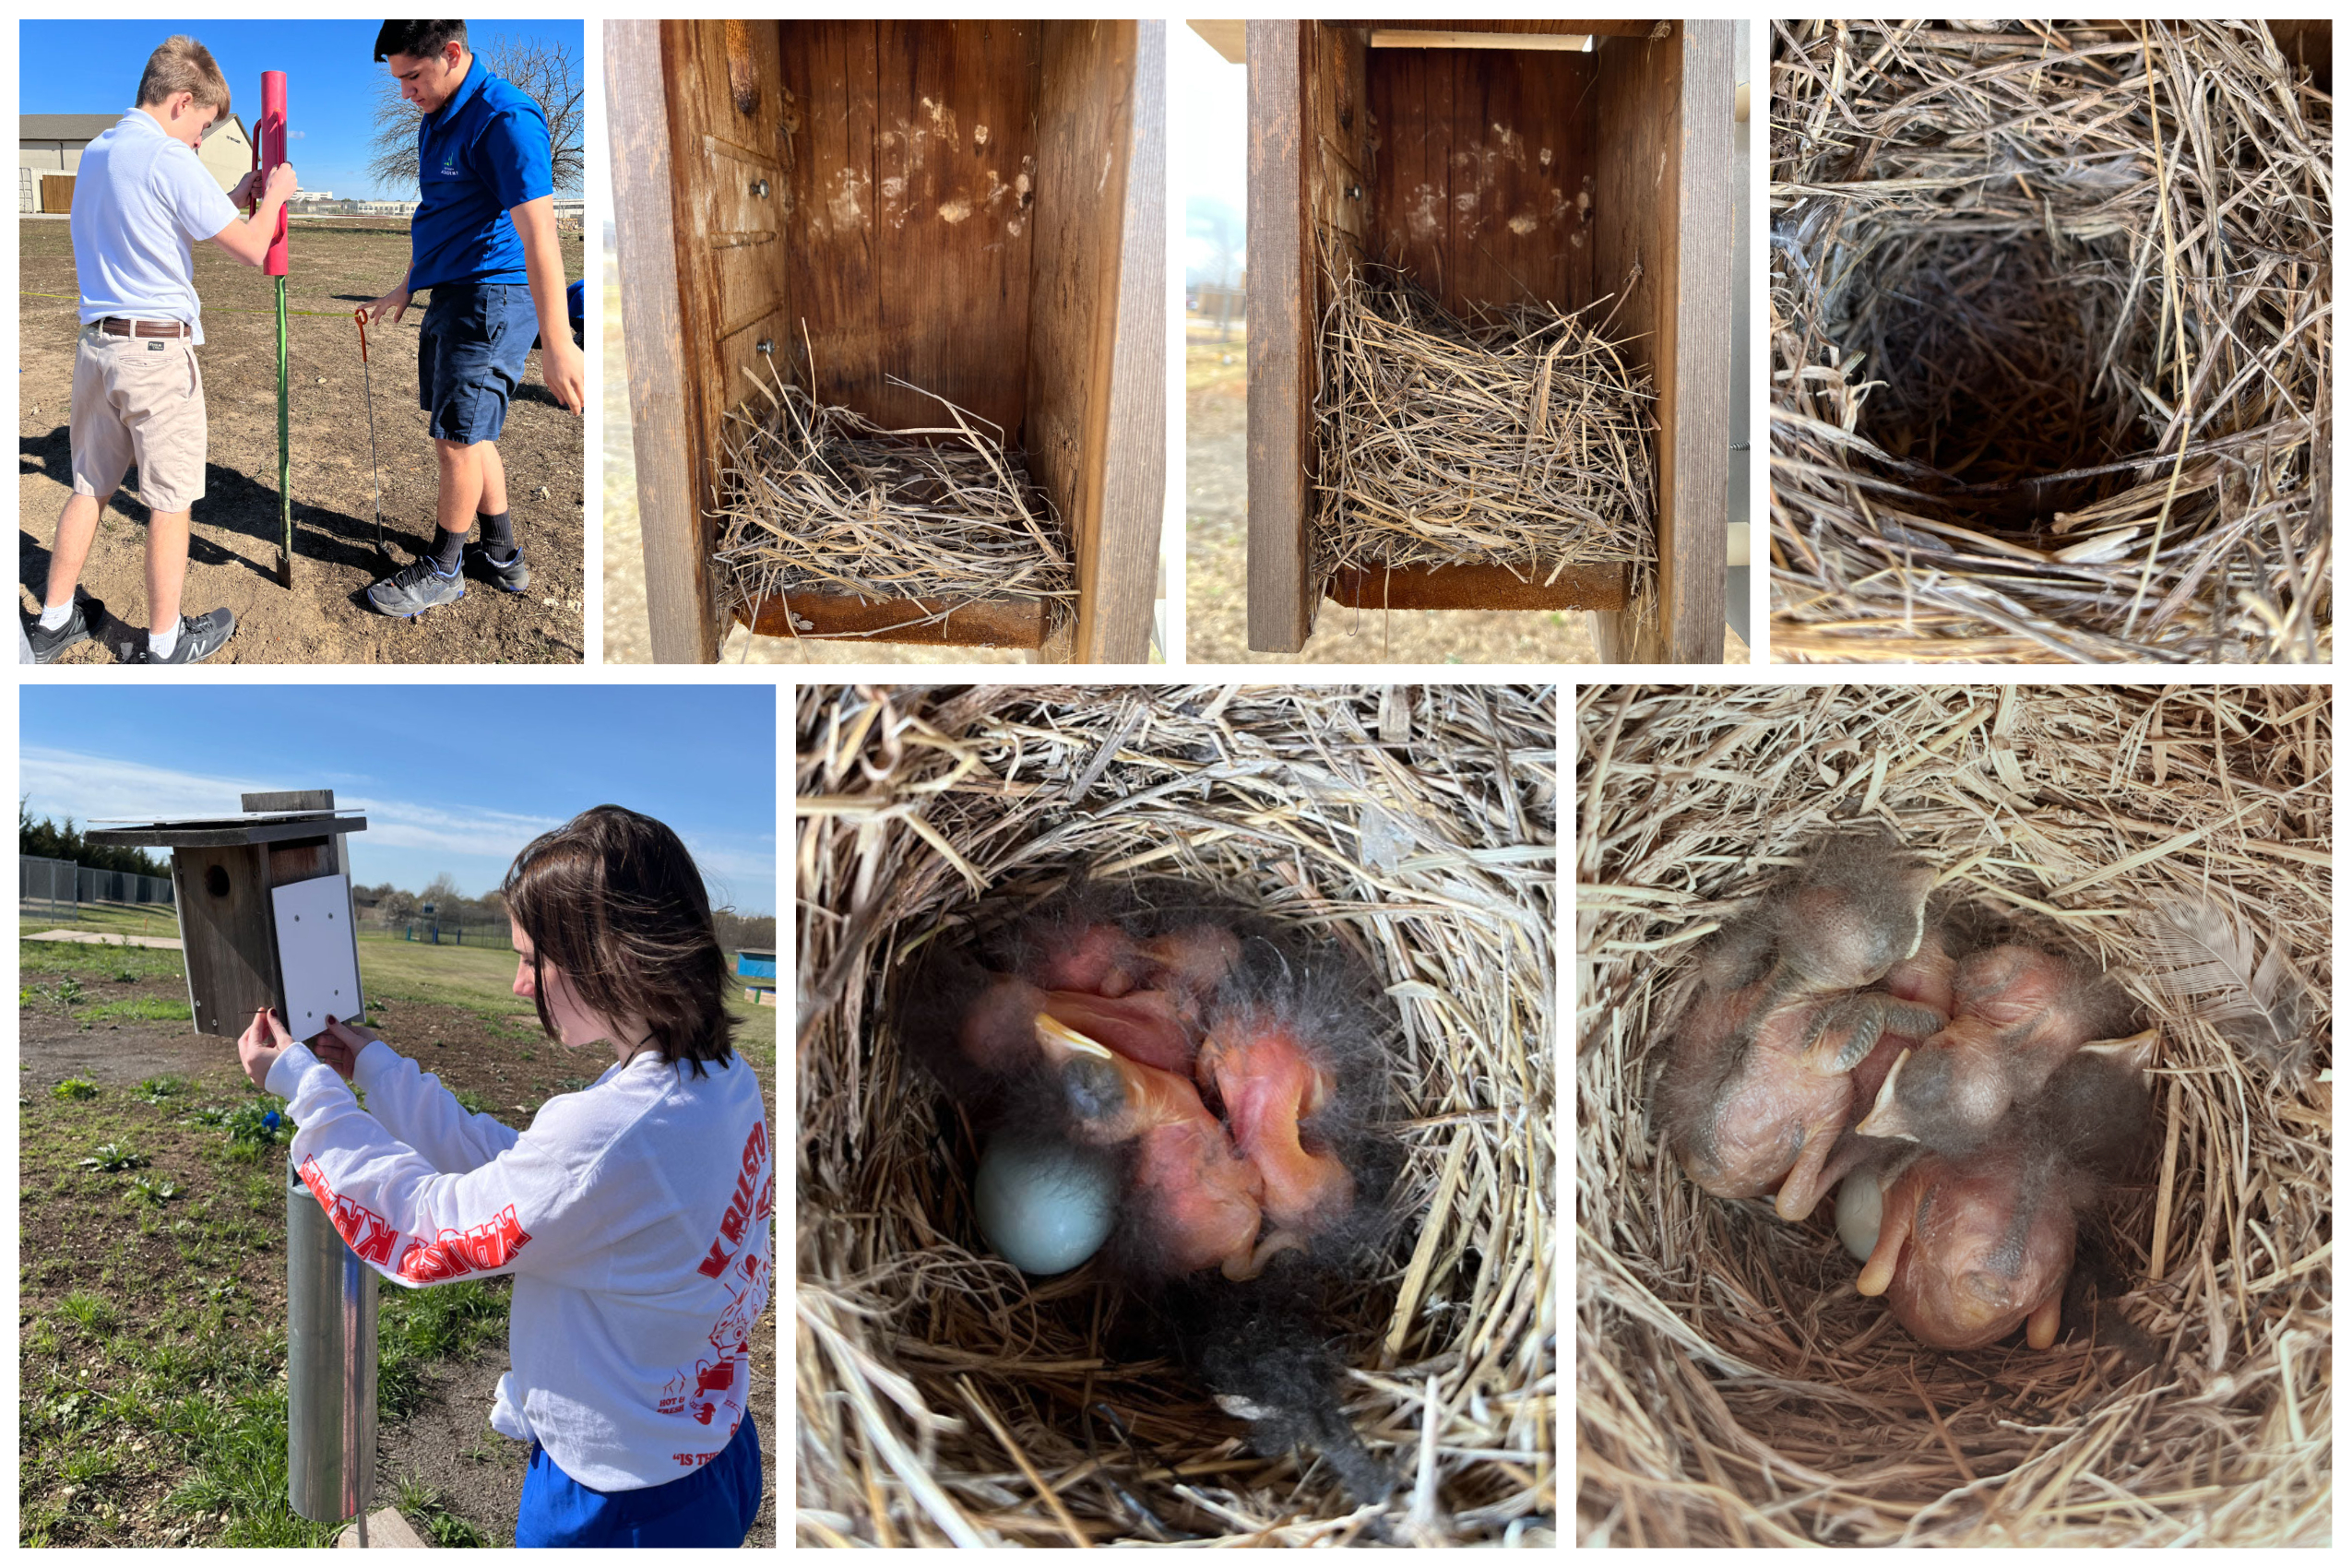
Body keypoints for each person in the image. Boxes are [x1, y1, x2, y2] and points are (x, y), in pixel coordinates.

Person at [236, 806, 770, 1548]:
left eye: (533, 960)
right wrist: (377, 1071)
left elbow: (426, 1226)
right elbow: (533, 1175)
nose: (520, 985)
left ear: (609, 958)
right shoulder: (715, 1080)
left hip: (618, 1506)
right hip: (712, 1451)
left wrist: (305, 1086)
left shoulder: (614, 1134)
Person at [26, 36, 297, 664]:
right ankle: (166, 642)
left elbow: (166, 222)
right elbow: (256, 250)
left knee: (89, 486)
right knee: (170, 502)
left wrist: (235, 196)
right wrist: (276, 193)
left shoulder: (100, 153)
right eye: (202, 126)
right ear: (181, 102)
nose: (200, 141)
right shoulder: (167, 159)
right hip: (154, 356)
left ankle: (56, 619)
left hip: (97, 349)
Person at [360, 19, 584, 619]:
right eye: (399, 80)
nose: (406, 92)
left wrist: (557, 341)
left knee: (457, 440)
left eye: (413, 77)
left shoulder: (505, 120)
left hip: (493, 300)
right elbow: (442, 214)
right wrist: (406, 286)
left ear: (452, 54)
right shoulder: (436, 121)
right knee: (469, 430)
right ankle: (502, 554)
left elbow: (541, 235)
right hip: (453, 296)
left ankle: (444, 568)